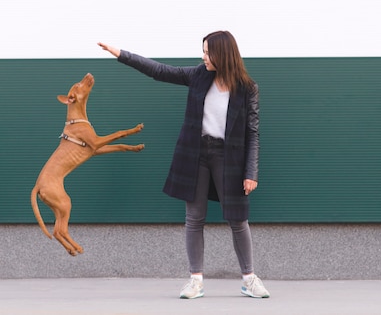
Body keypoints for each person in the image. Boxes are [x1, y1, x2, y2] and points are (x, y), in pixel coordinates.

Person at [98, 31, 270, 299]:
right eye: (202, 51)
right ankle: (195, 280)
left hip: (229, 157)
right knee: (194, 218)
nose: (203, 57)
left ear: (222, 55)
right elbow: (159, 71)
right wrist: (122, 54)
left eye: (207, 52)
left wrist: (251, 173)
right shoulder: (198, 75)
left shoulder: (247, 88)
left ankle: (249, 278)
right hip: (195, 154)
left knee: (238, 219)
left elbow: (253, 132)